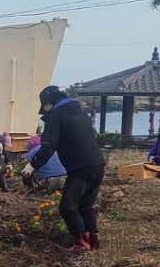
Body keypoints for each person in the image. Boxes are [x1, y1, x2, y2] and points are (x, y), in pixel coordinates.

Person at [24, 86, 107, 252]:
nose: (45, 111)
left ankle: (81, 244)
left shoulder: (56, 115)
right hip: (98, 164)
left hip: (81, 167)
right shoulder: (80, 113)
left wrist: (31, 166)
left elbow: (47, 147)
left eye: (45, 107)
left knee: (67, 208)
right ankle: (94, 241)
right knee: (85, 206)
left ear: (48, 104)